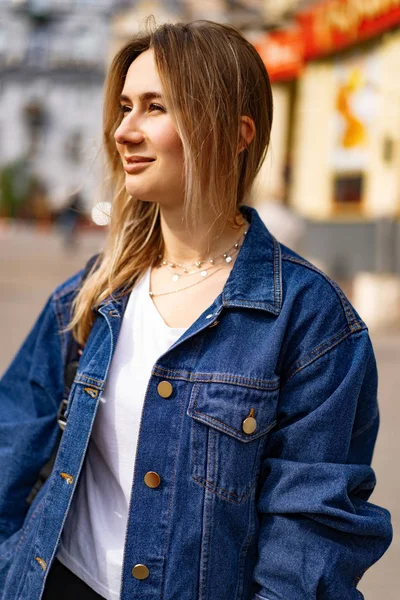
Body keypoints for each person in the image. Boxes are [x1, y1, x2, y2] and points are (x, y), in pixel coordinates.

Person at [0, 19, 392, 600]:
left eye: (155, 107)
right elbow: (11, 443)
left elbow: (311, 539)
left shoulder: (311, 322)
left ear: (236, 134)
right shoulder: (95, 293)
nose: (123, 131)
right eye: (125, 107)